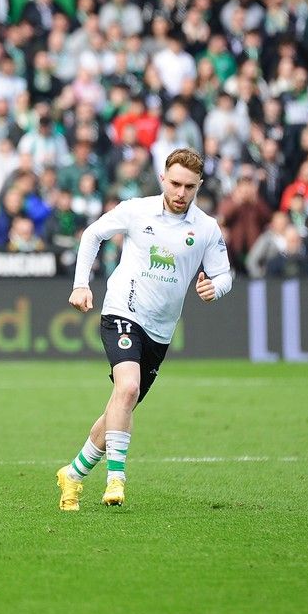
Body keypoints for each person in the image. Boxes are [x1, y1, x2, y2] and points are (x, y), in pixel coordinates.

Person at [57, 147, 233, 510]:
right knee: (129, 387)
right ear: (163, 179)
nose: (180, 193)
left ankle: (72, 474)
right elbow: (93, 234)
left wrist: (216, 288)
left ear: (199, 185)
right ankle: (116, 479)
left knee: (119, 407)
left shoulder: (205, 228)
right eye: (175, 184)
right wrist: (80, 283)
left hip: (161, 330)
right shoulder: (137, 209)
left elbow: (224, 273)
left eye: (189, 186)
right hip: (122, 309)